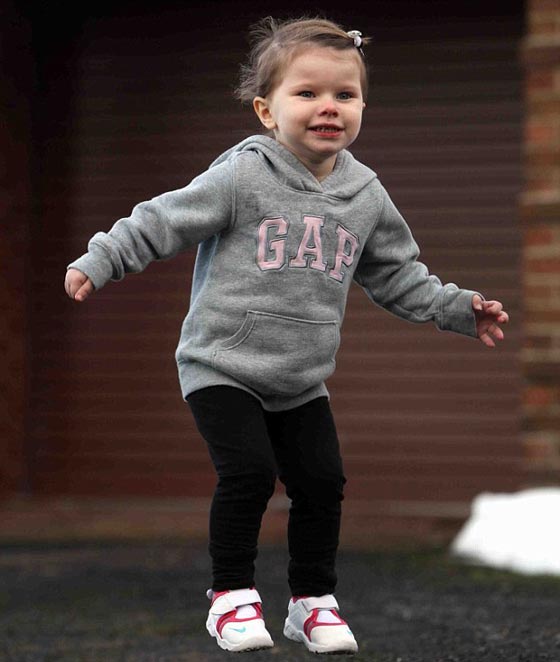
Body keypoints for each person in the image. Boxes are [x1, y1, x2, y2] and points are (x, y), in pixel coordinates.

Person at [64, 15, 509, 655]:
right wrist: (103, 258)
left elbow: (398, 275)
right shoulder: (244, 175)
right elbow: (165, 219)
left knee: (322, 481)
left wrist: (459, 309)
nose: (329, 106)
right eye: (307, 93)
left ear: (362, 107)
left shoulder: (365, 195)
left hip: (301, 377)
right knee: (249, 472)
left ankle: (311, 602)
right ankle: (231, 597)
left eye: (345, 95)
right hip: (222, 363)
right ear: (266, 111)